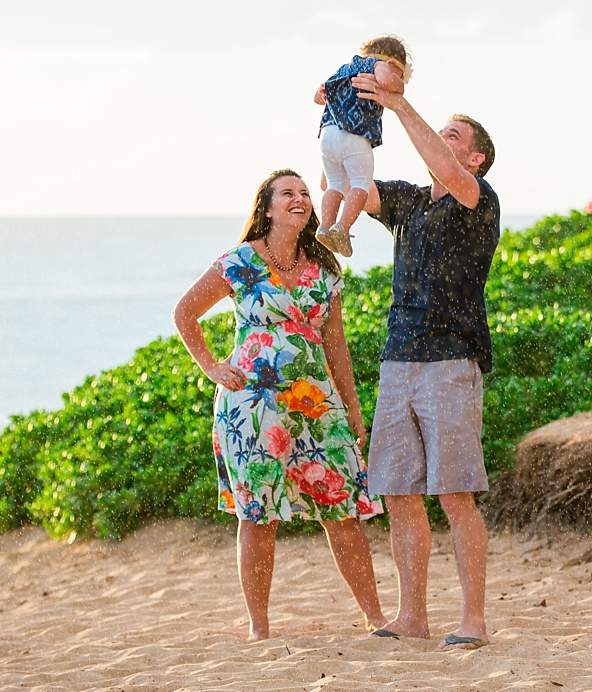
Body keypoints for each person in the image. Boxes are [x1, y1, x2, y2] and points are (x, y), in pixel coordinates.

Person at [173, 169, 386, 641]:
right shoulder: (240, 261)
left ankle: (375, 616)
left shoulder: (324, 268)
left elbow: (337, 347)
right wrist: (211, 366)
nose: (301, 198)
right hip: (254, 406)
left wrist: (351, 407)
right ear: (267, 208)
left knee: (343, 507)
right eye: (288, 193)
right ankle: (260, 628)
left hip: (317, 404)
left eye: (306, 193)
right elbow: (184, 312)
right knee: (258, 514)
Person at [350, 69, 499, 653]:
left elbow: (445, 169)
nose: (443, 139)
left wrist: (399, 102)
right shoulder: (410, 203)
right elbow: (350, 180)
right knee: (398, 493)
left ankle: (474, 621)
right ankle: (413, 616)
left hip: (450, 363)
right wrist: (347, 113)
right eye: (444, 133)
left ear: (478, 158)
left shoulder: (476, 198)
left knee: (454, 495)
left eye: (455, 135)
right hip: (397, 362)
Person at [312, 35, 410, 258]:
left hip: (327, 134)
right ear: (393, 63)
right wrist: (398, 86)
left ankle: (325, 225)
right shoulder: (379, 65)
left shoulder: (344, 68)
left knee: (334, 184)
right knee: (361, 183)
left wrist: (321, 95)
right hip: (354, 133)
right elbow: (387, 80)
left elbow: (319, 96)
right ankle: (343, 228)